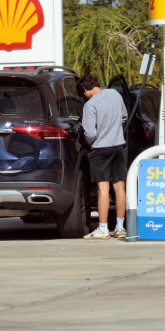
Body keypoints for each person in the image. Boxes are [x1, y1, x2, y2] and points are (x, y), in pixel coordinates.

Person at [77, 74, 128, 239]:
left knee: (103, 189)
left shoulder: (90, 105)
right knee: (119, 187)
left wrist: (89, 140)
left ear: (84, 89)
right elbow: (124, 117)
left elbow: (90, 133)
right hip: (118, 146)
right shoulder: (115, 94)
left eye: (83, 94)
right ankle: (120, 228)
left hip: (100, 149)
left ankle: (103, 229)